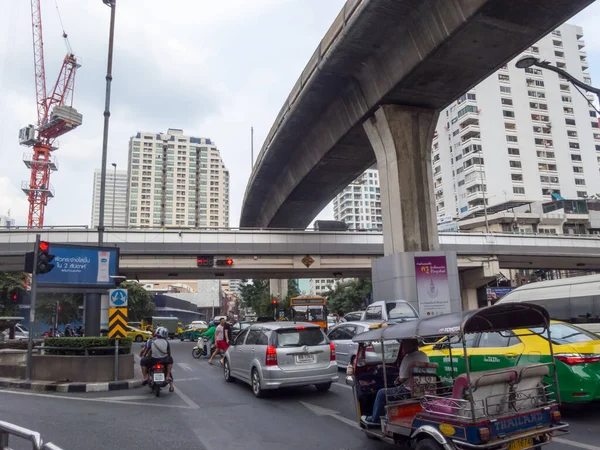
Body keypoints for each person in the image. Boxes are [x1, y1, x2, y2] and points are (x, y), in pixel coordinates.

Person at [361, 339, 429, 425]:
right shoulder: (424, 355)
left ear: (410, 345)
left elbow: (402, 379)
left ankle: (375, 419)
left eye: (404, 344)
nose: (403, 347)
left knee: (382, 393)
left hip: (408, 392)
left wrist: (397, 380)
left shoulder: (408, 358)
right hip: (423, 390)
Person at [141, 327, 174, 392]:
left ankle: (145, 377)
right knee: (170, 362)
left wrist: (144, 356)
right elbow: (169, 353)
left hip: (153, 360)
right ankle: (167, 377)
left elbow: (146, 351)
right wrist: (168, 357)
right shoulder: (166, 342)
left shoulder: (151, 341)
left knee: (143, 361)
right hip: (164, 360)